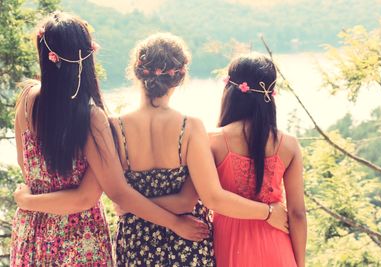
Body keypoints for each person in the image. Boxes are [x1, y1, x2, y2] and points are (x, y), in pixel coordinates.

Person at [14, 33, 289, 266]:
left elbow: (119, 199)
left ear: (137, 72)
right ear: (180, 77)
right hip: (188, 242)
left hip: (135, 241)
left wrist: (129, 206)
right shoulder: (190, 127)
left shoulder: (113, 127)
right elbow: (187, 201)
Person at [11, 13, 210, 266]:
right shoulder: (91, 117)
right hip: (78, 240)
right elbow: (95, 196)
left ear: (44, 53)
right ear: (88, 54)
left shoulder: (27, 101)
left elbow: (23, 163)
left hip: (32, 231)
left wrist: (28, 201)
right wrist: (175, 223)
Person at [210, 53, 307, 267]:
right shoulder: (289, 145)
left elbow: (206, 198)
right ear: (271, 95)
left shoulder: (213, 141)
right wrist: (299, 264)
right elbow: (297, 213)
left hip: (229, 247)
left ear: (230, 91)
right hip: (277, 247)